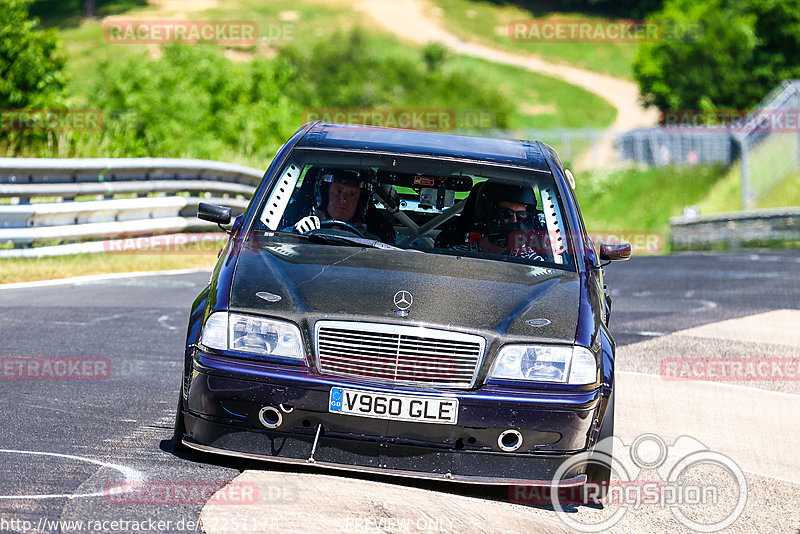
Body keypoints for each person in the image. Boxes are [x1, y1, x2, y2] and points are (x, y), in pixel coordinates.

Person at [445, 181, 547, 260]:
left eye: (522, 215)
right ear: (489, 213)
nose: (514, 221)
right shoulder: (457, 255)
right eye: (506, 214)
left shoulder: (531, 261)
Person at [292, 168, 395, 242]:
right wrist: (294, 236)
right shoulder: (297, 227)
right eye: (338, 191)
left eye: (352, 194)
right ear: (324, 194)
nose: (344, 200)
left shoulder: (374, 242)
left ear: (360, 202)